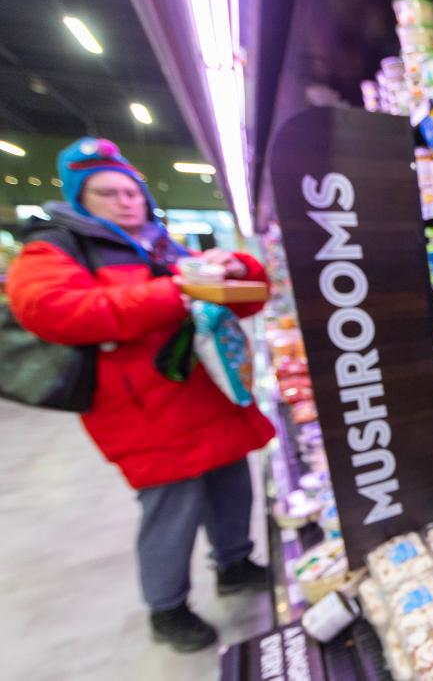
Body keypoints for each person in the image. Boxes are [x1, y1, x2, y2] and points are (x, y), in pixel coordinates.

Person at [6, 138, 276, 652]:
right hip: (143, 409)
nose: (126, 202)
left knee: (230, 483)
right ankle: (167, 608)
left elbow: (241, 296)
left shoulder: (161, 244)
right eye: (108, 193)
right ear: (80, 198)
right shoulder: (55, 248)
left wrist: (238, 267)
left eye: (132, 192)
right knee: (172, 509)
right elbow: (51, 309)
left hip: (205, 392)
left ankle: (235, 563)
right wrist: (173, 293)